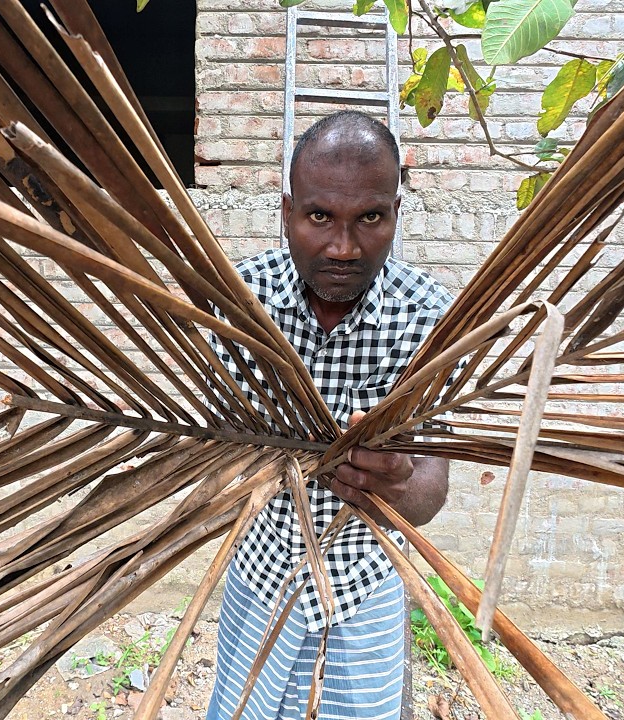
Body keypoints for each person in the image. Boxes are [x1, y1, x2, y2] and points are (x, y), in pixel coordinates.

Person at [206, 110, 454, 720]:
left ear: (396, 210)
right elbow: (213, 462)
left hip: (364, 583)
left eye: (369, 218)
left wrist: (397, 484)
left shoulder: (430, 320)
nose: (344, 247)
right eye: (320, 217)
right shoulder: (239, 306)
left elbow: (432, 487)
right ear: (286, 209)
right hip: (259, 575)